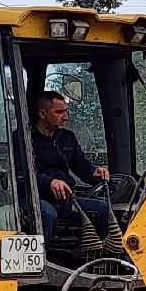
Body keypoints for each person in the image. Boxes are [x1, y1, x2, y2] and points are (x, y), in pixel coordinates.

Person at [31, 90, 111, 240]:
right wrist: (50, 182)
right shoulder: (24, 139)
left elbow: (81, 166)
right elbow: (19, 176)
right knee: (47, 214)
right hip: (34, 200)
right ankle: (42, 259)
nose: (66, 117)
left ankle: (100, 256)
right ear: (42, 114)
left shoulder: (67, 138)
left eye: (66, 112)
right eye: (59, 112)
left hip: (64, 200)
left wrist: (95, 173)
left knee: (103, 209)